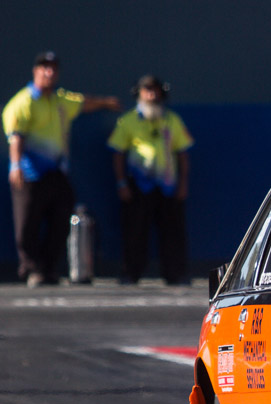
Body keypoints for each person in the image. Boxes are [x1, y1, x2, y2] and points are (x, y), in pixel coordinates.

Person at [2, 51, 120, 287]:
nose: (49, 72)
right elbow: (16, 137)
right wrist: (16, 166)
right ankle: (32, 269)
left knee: (61, 219)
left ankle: (49, 269)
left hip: (56, 172)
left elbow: (84, 103)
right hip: (29, 173)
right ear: (35, 71)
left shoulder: (60, 101)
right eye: (44, 68)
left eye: (53, 68)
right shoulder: (23, 102)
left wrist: (106, 102)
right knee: (27, 225)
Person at [107, 75, 194, 285]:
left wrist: (183, 183)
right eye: (147, 90)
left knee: (172, 231)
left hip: (167, 185)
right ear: (139, 93)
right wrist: (121, 183)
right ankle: (131, 272)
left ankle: (175, 274)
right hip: (138, 184)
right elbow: (118, 153)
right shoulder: (127, 121)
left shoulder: (172, 120)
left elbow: (182, 152)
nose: (152, 95)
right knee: (135, 230)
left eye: (155, 91)